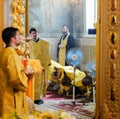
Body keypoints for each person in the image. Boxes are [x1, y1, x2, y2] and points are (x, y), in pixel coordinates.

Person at [0, 27, 33, 118]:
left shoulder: (4, 52)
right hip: (11, 97)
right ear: (12, 39)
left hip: (5, 94)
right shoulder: (11, 54)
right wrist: (26, 72)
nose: (20, 38)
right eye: (18, 35)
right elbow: (16, 80)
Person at [29, 28, 51, 105]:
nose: (34, 35)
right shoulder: (28, 44)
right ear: (30, 34)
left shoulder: (44, 43)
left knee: (42, 83)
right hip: (33, 67)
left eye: (36, 33)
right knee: (35, 83)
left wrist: (45, 64)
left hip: (42, 66)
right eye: (33, 33)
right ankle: (34, 98)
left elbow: (46, 54)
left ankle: (39, 97)